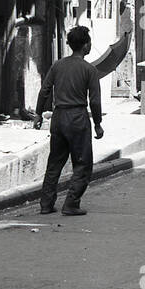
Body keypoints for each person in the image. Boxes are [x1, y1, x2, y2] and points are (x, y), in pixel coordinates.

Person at [35, 26, 104, 216]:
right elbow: (95, 100)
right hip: (77, 118)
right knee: (82, 163)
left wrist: (38, 114)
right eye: (89, 42)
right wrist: (97, 123)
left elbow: (45, 90)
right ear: (85, 46)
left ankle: (46, 204)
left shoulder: (58, 65)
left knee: (55, 162)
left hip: (58, 117)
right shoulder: (89, 69)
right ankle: (71, 203)